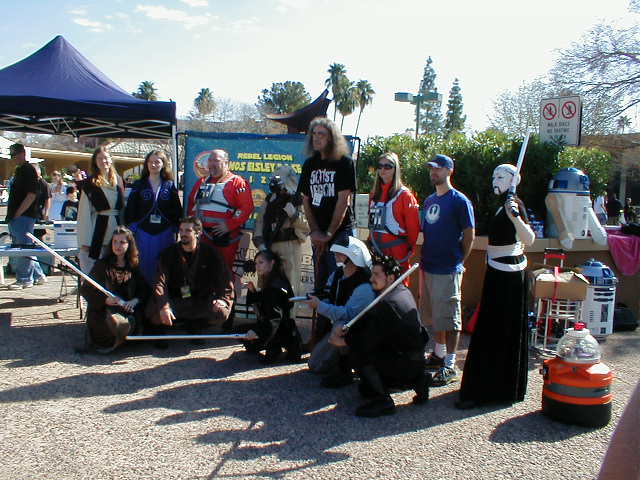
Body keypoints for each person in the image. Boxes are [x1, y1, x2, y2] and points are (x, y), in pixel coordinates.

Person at [455, 164, 535, 409]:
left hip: (510, 276)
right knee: (491, 329)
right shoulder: (503, 204)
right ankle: (487, 386)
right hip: (497, 273)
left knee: (500, 330)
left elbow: (529, 239)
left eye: (501, 176)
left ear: (514, 179)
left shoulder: (514, 206)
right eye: (493, 175)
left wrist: (515, 218)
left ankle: (493, 390)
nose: (494, 179)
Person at [330, 255, 431, 417]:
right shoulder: (402, 292)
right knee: (365, 389)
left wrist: (342, 341)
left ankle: (384, 401)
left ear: (390, 278)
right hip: (415, 360)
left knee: (359, 354)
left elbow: (366, 342)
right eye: (372, 274)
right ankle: (418, 381)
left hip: (404, 363)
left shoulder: (388, 304)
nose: (371, 279)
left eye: (376, 275)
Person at [419, 154, 475, 387]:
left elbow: (469, 235)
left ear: (449, 171)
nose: (434, 172)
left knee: (451, 319)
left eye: (438, 169)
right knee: (435, 318)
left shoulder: (460, 201)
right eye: (431, 168)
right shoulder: (430, 200)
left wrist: (458, 261)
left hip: (448, 269)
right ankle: (438, 355)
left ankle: (450, 365)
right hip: (429, 267)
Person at [304, 236, 375, 387]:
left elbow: (349, 315)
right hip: (340, 325)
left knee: (340, 328)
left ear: (352, 256)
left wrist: (320, 306)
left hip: (357, 331)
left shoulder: (364, 285)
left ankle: (345, 371)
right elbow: (329, 295)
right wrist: (319, 300)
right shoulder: (337, 274)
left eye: (340, 253)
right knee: (315, 365)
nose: (336, 256)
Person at [147, 217, 234, 338]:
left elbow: (224, 279)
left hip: (200, 300)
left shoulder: (211, 253)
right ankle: (167, 326)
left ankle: (197, 324)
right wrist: (164, 306)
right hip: (176, 299)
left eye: (187, 230)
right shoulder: (168, 253)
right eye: (181, 230)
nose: (183, 234)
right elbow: (159, 283)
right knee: (155, 313)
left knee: (221, 312)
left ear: (198, 233)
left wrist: (223, 299)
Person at [298, 117, 356, 289]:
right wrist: (315, 231)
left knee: (338, 283)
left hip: (340, 233)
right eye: (314, 134)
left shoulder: (345, 163)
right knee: (320, 285)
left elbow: (343, 202)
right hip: (318, 234)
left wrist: (329, 234)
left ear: (332, 137)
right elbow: (306, 201)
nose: (316, 138)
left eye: (321, 134)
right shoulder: (309, 164)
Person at [80, 226, 149, 353]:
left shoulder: (133, 266)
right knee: (112, 323)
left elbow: (144, 290)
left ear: (129, 244)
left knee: (134, 320)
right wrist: (105, 300)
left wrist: (133, 301)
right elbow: (86, 290)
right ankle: (120, 331)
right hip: (104, 312)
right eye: (115, 242)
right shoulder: (102, 265)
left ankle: (125, 329)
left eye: (122, 242)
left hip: (126, 310)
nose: (117, 245)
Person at [187, 149, 254, 272]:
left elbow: (246, 207)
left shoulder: (237, 183)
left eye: (216, 161)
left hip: (224, 238)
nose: (212, 164)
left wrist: (229, 225)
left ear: (226, 163)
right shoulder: (202, 182)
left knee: (223, 274)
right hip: (202, 237)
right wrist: (192, 227)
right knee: (199, 272)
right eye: (210, 160)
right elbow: (192, 205)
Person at [124, 150, 182, 285]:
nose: (153, 164)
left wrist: (175, 228)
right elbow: (131, 208)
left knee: (163, 265)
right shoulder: (139, 184)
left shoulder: (169, 185)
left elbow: (176, 209)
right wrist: (133, 227)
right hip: (143, 233)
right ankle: (143, 298)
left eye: (157, 161)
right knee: (143, 264)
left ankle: (161, 297)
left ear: (163, 164)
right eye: (150, 161)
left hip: (164, 233)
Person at [253, 168, 309, 294]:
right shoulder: (270, 199)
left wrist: (294, 215)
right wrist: (261, 245)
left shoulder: (297, 199)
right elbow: (259, 223)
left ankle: (289, 313)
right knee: (265, 283)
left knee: (289, 285)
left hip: (289, 246)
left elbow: (307, 226)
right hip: (269, 246)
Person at [242, 250, 303, 363]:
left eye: (261, 262)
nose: (257, 266)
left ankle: (275, 348)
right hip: (280, 326)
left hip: (279, 329)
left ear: (272, 263)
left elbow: (274, 318)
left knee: (247, 336)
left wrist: (257, 332)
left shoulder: (275, 285)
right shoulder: (276, 279)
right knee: (243, 336)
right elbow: (266, 303)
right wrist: (253, 291)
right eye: (256, 263)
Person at [368, 152, 420, 283]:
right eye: (380, 166)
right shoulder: (374, 194)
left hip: (397, 251)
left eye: (388, 166)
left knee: (397, 289)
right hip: (377, 249)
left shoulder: (405, 195)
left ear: (395, 169)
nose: (383, 170)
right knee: (377, 288)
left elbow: (413, 228)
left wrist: (408, 249)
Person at [77, 146, 125, 273]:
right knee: (96, 271)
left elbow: (122, 208)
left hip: (115, 230)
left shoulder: (118, 180)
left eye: (106, 158)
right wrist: (85, 241)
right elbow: (84, 213)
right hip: (97, 231)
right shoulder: (90, 183)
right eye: (100, 158)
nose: (103, 161)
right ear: (95, 161)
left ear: (111, 160)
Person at [5, 143, 39, 290]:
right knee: (25, 245)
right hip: (18, 216)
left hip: (23, 216)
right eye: (12, 156)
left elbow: (31, 195)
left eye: (16, 155)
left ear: (23, 154)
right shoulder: (20, 170)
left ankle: (25, 278)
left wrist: (18, 213)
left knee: (22, 247)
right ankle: (38, 275)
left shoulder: (28, 170)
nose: (14, 158)